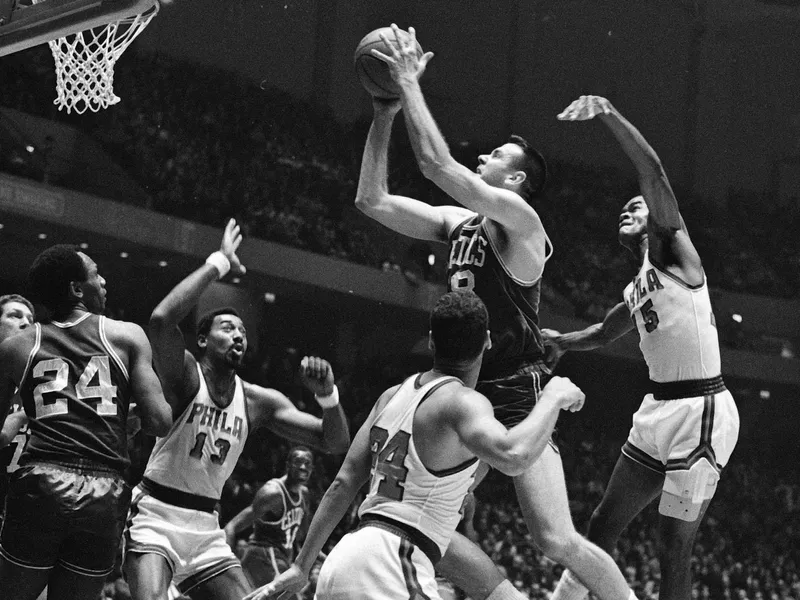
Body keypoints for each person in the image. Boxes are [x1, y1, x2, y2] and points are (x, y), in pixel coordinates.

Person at [355, 24, 637, 600]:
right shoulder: (459, 224)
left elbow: (436, 166)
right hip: (462, 386)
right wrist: (384, 112)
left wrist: (408, 81)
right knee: (416, 514)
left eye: (493, 157)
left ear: (514, 180)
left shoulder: (522, 224)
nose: (480, 156)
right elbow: (372, 200)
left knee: (555, 539)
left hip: (513, 389)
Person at [243, 291, 586, 600]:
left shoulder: (391, 397)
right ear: (487, 342)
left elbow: (342, 483)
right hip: (394, 562)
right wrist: (552, 397)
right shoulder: (464, 403)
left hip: (345, 560)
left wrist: (302, 567)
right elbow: (514, 457)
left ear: (433, 342)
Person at [545, 95, 741, 600]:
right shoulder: (636, 289)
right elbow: (606, 332)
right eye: (626, 208)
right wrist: (560, 343)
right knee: (601, 523)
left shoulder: (675, 250)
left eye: (635, 206)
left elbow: (652, 172)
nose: (628, 210)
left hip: (702, 408)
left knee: (672, 546)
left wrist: (607, 113)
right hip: (657, 412)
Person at [123, 219, 351, 600]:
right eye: (227, 328)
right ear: (202, 339)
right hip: (155, 516)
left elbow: (333, 441)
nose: (238, 336)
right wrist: (220, 262)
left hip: (206, 528)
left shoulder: (260, 401)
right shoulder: (184, 373)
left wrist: (329, 396)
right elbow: (161, 319)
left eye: (243, 332)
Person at [0, 245, 173, 600]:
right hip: (104, 490)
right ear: (77, 289)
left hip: (41, 481)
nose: (104, 280)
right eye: (97, 273)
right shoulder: (126, 335)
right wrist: (127, 415)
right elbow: (160, 420)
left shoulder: (17, 346)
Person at [224, 446, 314, 589]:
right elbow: (232, 526)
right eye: (298, 462)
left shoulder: (304, 495)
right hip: (263, 556)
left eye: (308, 463)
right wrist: (227, 567)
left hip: (280, 560)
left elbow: (303, 537)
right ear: (288, 465)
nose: (303, 467)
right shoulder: (273, 493)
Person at [0, 294, 35, 518]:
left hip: (30, 509)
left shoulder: (44, 381)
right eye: (15, 316)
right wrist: (26, 414)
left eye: (31, 319)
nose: (26, 323)